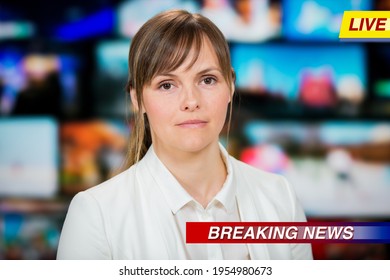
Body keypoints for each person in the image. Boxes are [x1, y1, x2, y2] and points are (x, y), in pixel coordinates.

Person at [57, 9, 313, 260]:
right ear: (138, 99)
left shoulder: (280, 197)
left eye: (208, 80)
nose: (191, 101)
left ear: (231, 86)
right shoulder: (95, 214)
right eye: (167, 85)